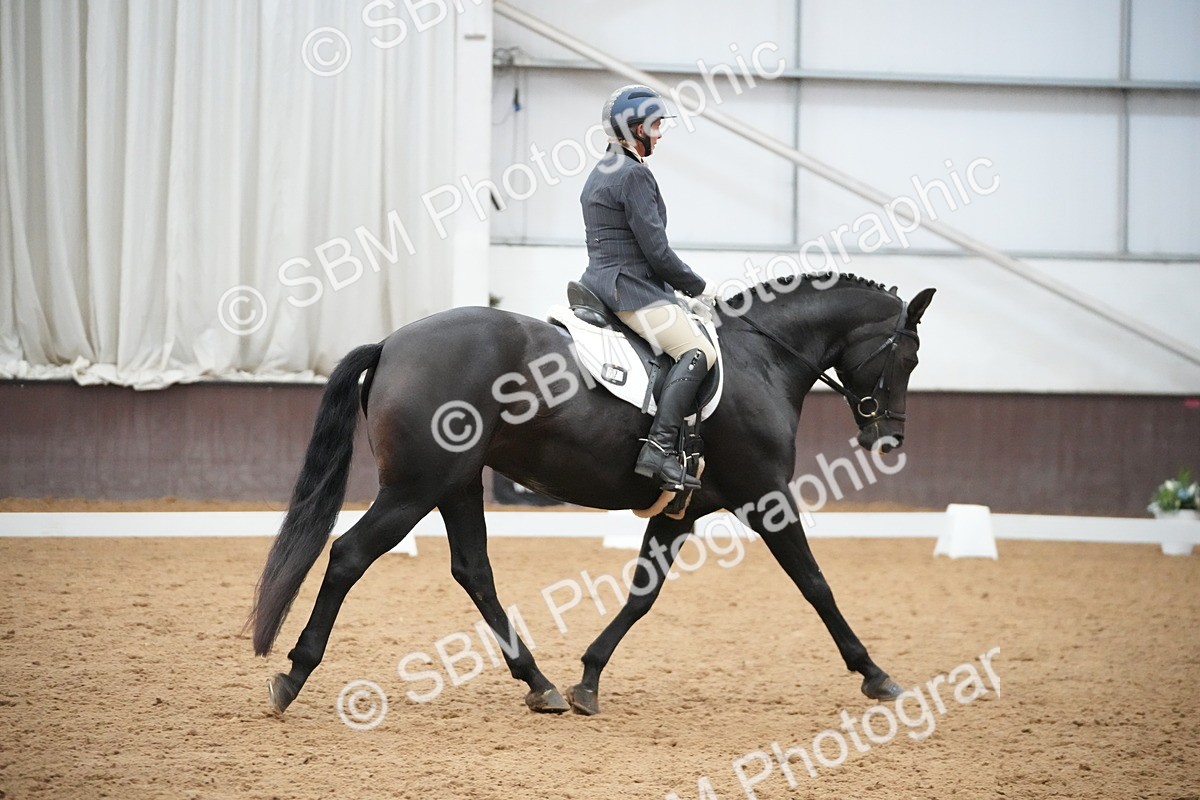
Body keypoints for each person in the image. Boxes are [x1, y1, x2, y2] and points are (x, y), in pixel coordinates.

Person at [578, 84, 718, 492]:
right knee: (699, 350)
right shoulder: (634, 174)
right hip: (632, 291)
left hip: (600, 283)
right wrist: (699, 288)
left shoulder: (601, 171)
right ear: (634, 128)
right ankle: (658, 448)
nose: (659, 134)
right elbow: (657, 252)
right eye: (655, 125)